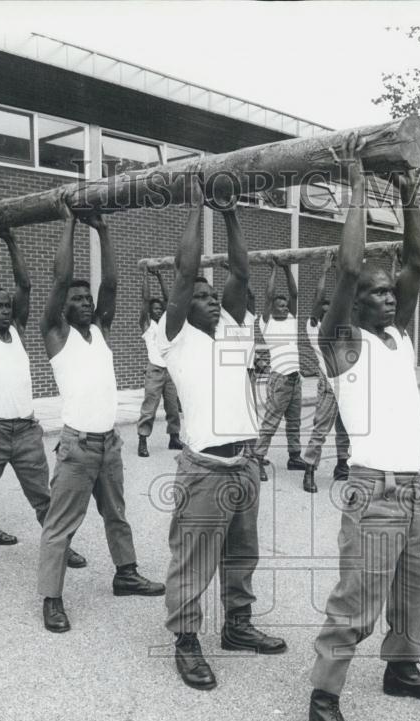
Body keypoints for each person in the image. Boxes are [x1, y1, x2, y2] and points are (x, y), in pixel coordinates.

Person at [309, 140, 420, 721]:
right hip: (373, 489)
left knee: (415, 589)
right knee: (356, 600)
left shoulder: (396, 337)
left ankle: (402, 668)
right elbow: (346, 267)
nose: (387, 294)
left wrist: (411, 187)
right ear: (348, 303)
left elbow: (416, 260)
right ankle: (323, 701)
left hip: (417, 486)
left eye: (389, 289)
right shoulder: (339, 345)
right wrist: (359, 184)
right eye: (375, 290)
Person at [160, 186, 286, 691]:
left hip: (244, 464)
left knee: (242, 553)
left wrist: (229, 212)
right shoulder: (174, 338)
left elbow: (240, 272)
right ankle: (186, 641)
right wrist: (198, 200)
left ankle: (237, 626)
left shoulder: (233, 331)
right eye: (202, 296)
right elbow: (185, 271)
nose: (213, 300)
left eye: (216, 297)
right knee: (193, 556)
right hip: (205, 469)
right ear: (183, 305)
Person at [36, 200, 163, 634]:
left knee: (117, 514)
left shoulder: (101, 332)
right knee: (61, 524)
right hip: (77, 446)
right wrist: (70, 224)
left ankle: (125, 574)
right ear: (62, 308)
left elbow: (110, 283)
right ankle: (52, 598)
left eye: (87, 299)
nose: (86, 303)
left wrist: (104, 231)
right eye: (76, 299)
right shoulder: (56, 335)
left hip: (109, 443)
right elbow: (58, 278)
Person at [0, 211, 84, 598]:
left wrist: (10, 241)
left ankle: (60, 544)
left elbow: (25, 282)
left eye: (8, 306)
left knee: (44, 496)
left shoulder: (20, 330)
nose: (5, 311)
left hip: (26, 431)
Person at [250, 257, 309, 480]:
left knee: (294, 422)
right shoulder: (267, 322)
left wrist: (286, 268)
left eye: (285, 305)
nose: (284, 307)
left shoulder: (292, 319)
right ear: (272, 307)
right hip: (280, 379)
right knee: (271, 422)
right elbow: (268, 295)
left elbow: (294, 294)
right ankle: (257, 459)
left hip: (295, 379)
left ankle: (294, 456)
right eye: (280, 305)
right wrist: (273, 269)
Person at [302, 254, 350, 493]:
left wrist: (343, 272)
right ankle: (309, 470)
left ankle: (342, 465)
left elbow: (345, 299)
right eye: (326, 311)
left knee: (346, 426)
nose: (331, 314)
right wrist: (324, 271)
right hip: (328, 382)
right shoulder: (314, 327)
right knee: (321, 428)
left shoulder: (341, 329)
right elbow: (317, 298)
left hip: (346, 382)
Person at [136, 266, 182, 457]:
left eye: (160, 309)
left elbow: (170, 301)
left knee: (173, 406)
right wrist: (146, 276)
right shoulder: (148, 325)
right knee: (150, 406)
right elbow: (145, 300)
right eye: (155, 308)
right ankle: (142, 440)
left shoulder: (165, 324)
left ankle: (174, 438)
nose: (158, 310)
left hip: (169, 370)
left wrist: (161, 278)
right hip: (154, 370)